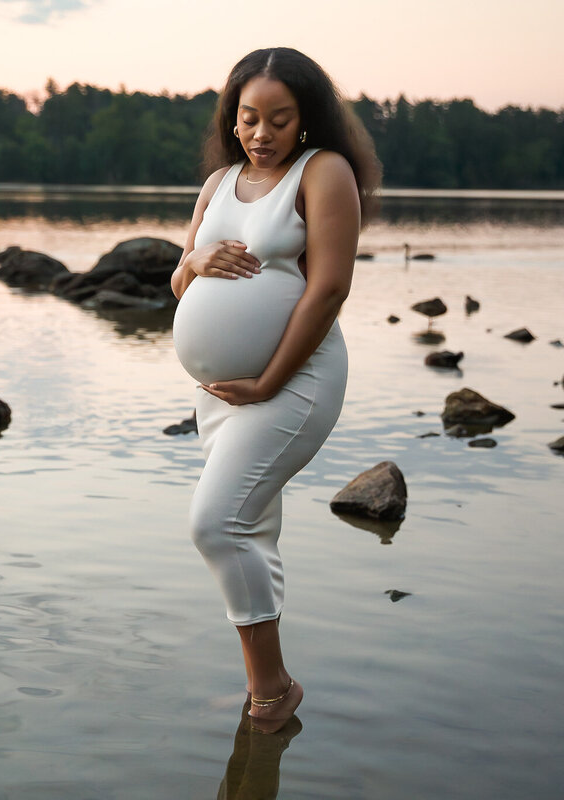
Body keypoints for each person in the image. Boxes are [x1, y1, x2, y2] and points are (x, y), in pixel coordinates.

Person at [170, 47, 381, 733]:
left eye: (279, 119)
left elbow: (329, 289)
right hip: (223, 388)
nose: (262, 134)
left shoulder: (324, 173)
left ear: (306, 121)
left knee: (215, 522)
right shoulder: (220, 183)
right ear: (232, 120)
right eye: (249, 118)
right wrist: (196, 260)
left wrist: (268, 379)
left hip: (295, 378)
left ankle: (273, 690)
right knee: (249, 528)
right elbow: (179, 281)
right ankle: (264, 687)